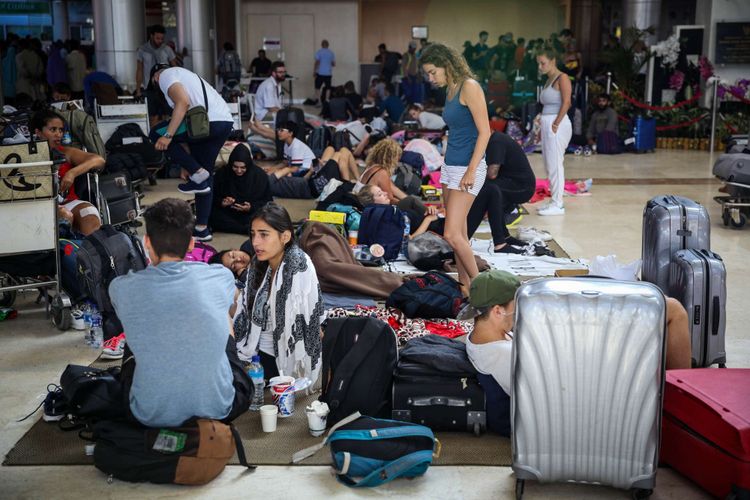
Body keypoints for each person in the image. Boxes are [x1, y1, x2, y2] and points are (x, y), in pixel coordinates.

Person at [464, 270, 692, 433]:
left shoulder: (481, 337)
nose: (521, 312)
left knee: (667, 310)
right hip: (587, 395)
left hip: (571, 373)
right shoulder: (503, 356)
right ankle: (681, 408)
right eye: (516, 307)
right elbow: (556, 400)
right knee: (673, 311)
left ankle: (679, 393)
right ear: (496, 311)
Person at [109, 198, 250, 427]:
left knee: (139, 327)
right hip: (219, 408)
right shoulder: (220, 276)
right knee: (221, 314)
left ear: (147, 243)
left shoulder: (120, 288)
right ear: (192, 244)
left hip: (148, 414)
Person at [421, 42, 490, 293]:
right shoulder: (450, 89)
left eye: (433, 72)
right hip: (451, 167)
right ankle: (466, 287)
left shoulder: (469, 87)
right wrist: (444, 171)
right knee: (459, 235)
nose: (431, 78)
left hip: (467, 168)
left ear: (446, 65)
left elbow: (485, 132)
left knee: (451, 234)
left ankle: (484, 290)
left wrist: (472, 170)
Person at [232, 203, 324, 382]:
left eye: (264, 235)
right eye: (253, 234)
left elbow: (306, 328)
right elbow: (244, 311)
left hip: (280, 358)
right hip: (252, 347)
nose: (256, 242)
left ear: (285, 236)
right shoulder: (259, 264)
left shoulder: (298, 266)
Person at [150, 64, 234, 242]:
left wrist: (167, 135)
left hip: (206, 123)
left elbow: (183, 103)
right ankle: (202, 229)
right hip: (223, 122)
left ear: (154, 78)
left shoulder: (165, 75)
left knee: (155, 133)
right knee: (204, 179)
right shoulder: (188, 76)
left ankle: (197, 171)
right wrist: (187, 162)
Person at [32, 108, 103, 236]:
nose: (58, 134)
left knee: (89, 213)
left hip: (67, 202)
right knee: (65, 216)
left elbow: (98, 159)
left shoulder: (66, 152)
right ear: (38, 132)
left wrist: (72, 173)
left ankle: (91, 253)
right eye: (53, 129)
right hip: (38, 205)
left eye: (61, 130)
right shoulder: (23, 154)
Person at [466, 132, 535, 253]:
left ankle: (498, 243)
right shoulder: (495, 139)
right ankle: (505, 237)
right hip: (513, 182)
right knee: (490, 193)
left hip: (521, 187)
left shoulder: (496, 141)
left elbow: (492, 174)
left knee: (487, 190)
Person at [266, 121, 358, 199]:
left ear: (291, 133)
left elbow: (290, 168)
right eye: (278, 130)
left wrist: (272, 169)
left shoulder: (295, 146)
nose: (278, 132)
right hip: (313, 174)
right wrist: (273, 169)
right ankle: (348, 185)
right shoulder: (288, 146)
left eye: (281, 130)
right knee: (341, 152)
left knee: (334, 150)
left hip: (312, 171)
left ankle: (355, 182)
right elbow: (289, 167)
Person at [536, 47, 572, 216]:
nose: (540, 67)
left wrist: (556, 123)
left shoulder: (562, 77)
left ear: (553, 61)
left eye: (542, 63)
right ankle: (553, 200)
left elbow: (566, 103)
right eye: (539, 63)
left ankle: (558, 203)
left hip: (557, 123)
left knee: (556, 163)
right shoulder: (549, 79)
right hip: (548, 121)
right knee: (549, 164)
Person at [210, 145, 273, 235]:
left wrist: (250, 207)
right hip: (228, 213)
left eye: (243, 167)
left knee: (264, 216)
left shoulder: (259, 176)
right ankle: (247, 229)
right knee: (212, 214)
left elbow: (267, 201)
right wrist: (222, 202)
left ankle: (241, 228)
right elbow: (213, 197)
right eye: (235, 167)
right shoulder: (222, 173)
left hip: (250, 214)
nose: (239, 171)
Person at [134, 24, 177, 98]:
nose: (160, 41)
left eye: (162, 38)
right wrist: (138, 90)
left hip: (165, 87)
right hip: (149, 88)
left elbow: (175, 68)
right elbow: (139, 70)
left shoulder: (167, 49)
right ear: (151, 36)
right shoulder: (142, 50)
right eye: (157, 38)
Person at [313, 39, 335, 104]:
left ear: (321, 45)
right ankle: (327, 101)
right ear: (328, 45)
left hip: (320, 73)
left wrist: (314, 71)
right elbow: (333, 64)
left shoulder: (319, 52)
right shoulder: (331, 53)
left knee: (317, 88)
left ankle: (319, 101)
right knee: (328, 88)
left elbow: (317, 62)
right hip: (328, 73)